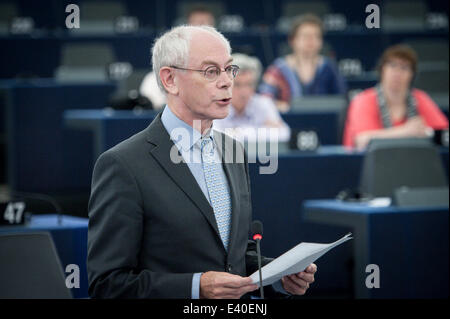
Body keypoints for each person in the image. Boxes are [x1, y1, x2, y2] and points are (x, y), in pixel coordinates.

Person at [87, 25, 317, 299]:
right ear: (170, 79)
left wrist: (278, 275)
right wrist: (195, 287)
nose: (226, 81)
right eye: (210, 71)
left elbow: (233, 258)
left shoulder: (233, 150)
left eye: (229, 69)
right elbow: (107, 284)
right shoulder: (122, 165)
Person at [343, 44, 449, 149]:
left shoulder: (420, 98)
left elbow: (445, 135)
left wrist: (428, 133)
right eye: (392, 65)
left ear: (412, 75)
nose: (397, 73)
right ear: (382, 69)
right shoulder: (363, 100)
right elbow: (362, 142)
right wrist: (406, 132)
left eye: (404, 67)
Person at [259, 13, 346, 112]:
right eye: (305, 36)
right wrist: (281, 106)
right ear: (292, 40)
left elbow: (342, 100)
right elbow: (264, 99)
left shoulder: (329, 67)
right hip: (288, 123)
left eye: (316, 36)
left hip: (324, 122)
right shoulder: (278, 68)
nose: (311, 40)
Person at [139, 6, 216, 109]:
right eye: (197, 26)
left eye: (207, 26)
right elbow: (149, 106)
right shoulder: (156, 77)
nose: (202, 32)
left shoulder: (228, 71)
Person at [214, 53, 291, 142]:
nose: (244, 92)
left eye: (249, 84)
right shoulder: (215, 106)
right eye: (237, 85)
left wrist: (237, 132)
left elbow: (284, 133)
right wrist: (261, 131)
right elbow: (215, 138)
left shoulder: (264, 103)